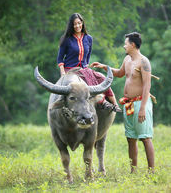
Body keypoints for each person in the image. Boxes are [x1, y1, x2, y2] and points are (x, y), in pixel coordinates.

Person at [91, 32, 155, 173]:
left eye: (126, 43)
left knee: (145, 138)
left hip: (140, 103)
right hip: (128, 104)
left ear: (133, 45)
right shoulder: (127, 59)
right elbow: (119, 73)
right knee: (131, 138)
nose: (124, 46)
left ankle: (152, 172)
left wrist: (143, 108)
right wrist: (104, 67)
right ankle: (133, 171)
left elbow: (147, 86)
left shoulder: (144, 62)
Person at [57, 13, 121, 112]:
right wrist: (62, 72)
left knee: (102, 78)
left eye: (79, 23)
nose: (77, 26)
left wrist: (86, 67)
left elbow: (87, 55)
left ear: (82, 23)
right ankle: (102, 102)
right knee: (85, 80)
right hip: (70, 69)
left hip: (84, 69)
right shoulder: (66, 39)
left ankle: (115, 104)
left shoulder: (88, 38)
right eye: (74, 24)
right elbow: (60, 58)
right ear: (71, 26)